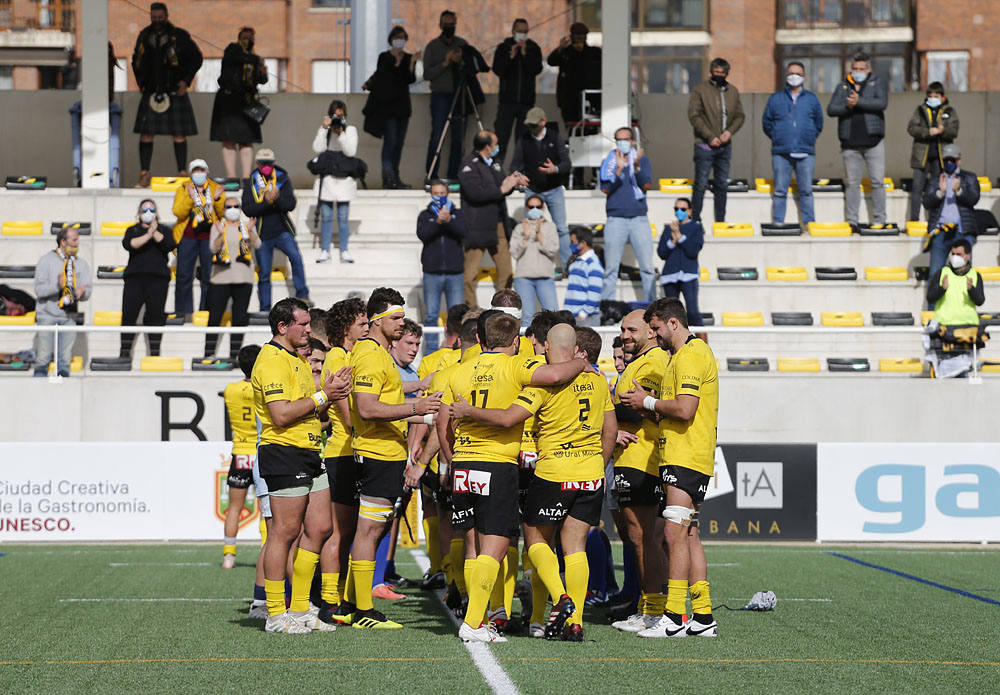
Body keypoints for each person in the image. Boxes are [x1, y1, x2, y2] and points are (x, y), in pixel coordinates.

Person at [451, 323, 615, 642]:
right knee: (575, 548)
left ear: (549, 347)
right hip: (591, 471)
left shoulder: (543, 382)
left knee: (536, 539)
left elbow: (507, 418)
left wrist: (468, 411)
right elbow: (609, 430)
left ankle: (559, 598)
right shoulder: (598, 380)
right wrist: (600, 464)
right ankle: (576, 622)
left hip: (554, 471)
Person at [251, 297, 352, 634]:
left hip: (309, 451)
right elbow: (280, 415)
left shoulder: (295, 358)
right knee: (284, 533)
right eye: (303, 325)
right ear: (283, 327)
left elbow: (310, 409)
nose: (309, 331)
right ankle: (276, 613)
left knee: (322, 527)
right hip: (284, 452)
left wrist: (331, 392)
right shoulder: (271, 361)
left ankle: (300, 608)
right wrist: (324, 396)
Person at [620, 298, 719, 639]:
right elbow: (673, 409)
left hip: (686, 456)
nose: (655, 335)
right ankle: (703, 616)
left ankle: (675, 617)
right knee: (689, 534)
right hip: (684, 453)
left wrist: (646, 402)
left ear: (672, 323)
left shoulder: (691, 355)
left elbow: (686, 409)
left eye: (657, 328)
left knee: (674, 533)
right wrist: (647, 407)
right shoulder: (683, 356)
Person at [348, 288, 442, 628]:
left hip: (384, 451)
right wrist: (417, 406)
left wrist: (424, 404)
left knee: (372, 531)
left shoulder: (378, 353)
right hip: (377, 453)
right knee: (369, 532)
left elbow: (385, 397)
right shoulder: (372, 356)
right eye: (396, 317)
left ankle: (352, 605)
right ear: (377, 321)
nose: (402, 324)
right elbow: (369, 407)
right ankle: (361, 610)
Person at [609, 310, 669, 633]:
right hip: (630, 457)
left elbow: (637, 409)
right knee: (640, 536)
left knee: (645, 537)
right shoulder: (637, 363)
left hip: (643, 457)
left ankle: (656, 610)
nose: (625, 335)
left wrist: (604, 407)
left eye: (632, 329)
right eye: (622, 330)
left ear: (649, 330)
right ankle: (650, 607)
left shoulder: (653, 362)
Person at [315, 297, 369, 628]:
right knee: (339, 532)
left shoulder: (346, 355)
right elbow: (347, 414)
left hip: (347, 452)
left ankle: (337, 599)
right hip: (341, 453)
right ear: (346, 325)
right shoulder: (338, 356)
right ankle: (330, 601)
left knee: (346, 533)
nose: (366, 327)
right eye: (361, 322)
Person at [131, 2, 202, 187]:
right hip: (151, 91)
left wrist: (186, 81)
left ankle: (182, 173)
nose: (157, 21)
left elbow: (197, 58)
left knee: (179, 134)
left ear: (167, 16)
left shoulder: (180, 36)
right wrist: (141, 82)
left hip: (174, 91)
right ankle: (144, 173)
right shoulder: (145, 35)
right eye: (154, 18)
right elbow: (135, 60)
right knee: (146, 134)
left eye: (160, 17)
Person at [458, 130, 528, 307]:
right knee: (470, 274)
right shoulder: (469, 165)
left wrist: (512, 182)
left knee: (506, 271)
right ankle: (471, 310)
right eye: (495, 144)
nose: (498, 147)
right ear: (488, 147)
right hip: (477, 226)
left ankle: (502, 308)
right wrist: (501, 191)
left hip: (498, 225)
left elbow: (502, 185)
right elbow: (475, 193)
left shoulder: (494, 163)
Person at [827, 51, 889, 231]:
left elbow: (881, 104)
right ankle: (852, 220)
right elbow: (831, 109)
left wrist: (859, 102)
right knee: (852, 184)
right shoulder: (842, 86)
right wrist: (848, 105)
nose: (858, 71)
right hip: (850, 144)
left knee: (877, 181)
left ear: (868, 69)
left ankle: (880, 219)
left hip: (874, 142)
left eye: (861, 68)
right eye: (855, 68)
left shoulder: (877, 83)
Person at [423, 10, 487, 180]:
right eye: (446, 24)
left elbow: (474, 68)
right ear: (440, 25)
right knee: (438, 136)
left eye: (452, 25)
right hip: (441, 96)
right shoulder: (432, 47)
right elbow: (427, 74)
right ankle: (431, 174)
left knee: (458, 139)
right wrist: (446, 62)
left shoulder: (462, 44)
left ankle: (454, 175)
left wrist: (462, 60)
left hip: (461, 96)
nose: (449, 27)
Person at [242, 148, 309, 311]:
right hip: (262, 234)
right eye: (263, 163)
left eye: (269, 163)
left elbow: (290, 205)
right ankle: (265, 307)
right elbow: (248, 209)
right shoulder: (251, 181)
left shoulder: (282, 178)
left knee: (296, 258)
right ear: (257, 164)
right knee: (264, 273)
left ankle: (303, 294)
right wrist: (266, 202)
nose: (266, 166)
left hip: (282, 231)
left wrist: (277, 198)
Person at [762, 61, 824, 225]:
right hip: (781, 152)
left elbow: (818, 123)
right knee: (780, 191)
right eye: (790, 73)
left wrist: (808, 138)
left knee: (806, 191)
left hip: (806, 152)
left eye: (797, 73)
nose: (794, 76)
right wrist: (778, 137)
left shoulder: (811, 99)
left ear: (804, 76)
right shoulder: (775, 99)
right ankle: (778, 223)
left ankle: (809, 224)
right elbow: (767, 123)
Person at [599, 127, 655, 302]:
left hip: (639, 218)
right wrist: (618, 171)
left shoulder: (642, 160)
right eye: (619, 139)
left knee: (647, 268)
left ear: (632, 141)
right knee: (611, 269)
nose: (622, 142)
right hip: (616, 219)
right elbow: (605, 189)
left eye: (626, 139)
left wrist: (636, 167)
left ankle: (653, 308)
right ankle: (608, 309)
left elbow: (646, 185)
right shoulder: (609, 161)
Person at [510, 107, 571, 266]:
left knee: (561, 229)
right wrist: (518, 176)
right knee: (529, 228)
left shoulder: (555, 137)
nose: (531, 128)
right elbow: (514, 166)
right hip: (533, 191)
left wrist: (555, 169)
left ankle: (568, 266)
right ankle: (529, 264)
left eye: (534, 125)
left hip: (555, 189)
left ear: (543, 121)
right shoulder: (523, 140)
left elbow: (567, 163)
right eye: (529, 125)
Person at [688, 58, 744, 223]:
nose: (719, 75)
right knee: (700, 184)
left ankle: (720, 220)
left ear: (727, 74)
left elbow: (740, 116)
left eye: (722, 73)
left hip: (725, 147)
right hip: (704, 146)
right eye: (716, 72)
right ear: (711, 72)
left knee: (721, 185)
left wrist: (729, 132)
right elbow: (694, 115)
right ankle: (695, 219)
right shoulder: (700, 90)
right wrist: (710, 136)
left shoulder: (733, 91)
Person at [362, 25, 419, 190]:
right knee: (391, 141)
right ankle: (388, 177)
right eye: (397, 38)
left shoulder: (409, 58)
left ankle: (395, 176)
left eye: (402, 37)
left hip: (403, 107)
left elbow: (409, 79)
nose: (399, 41)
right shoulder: (384, 57)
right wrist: (397, 61)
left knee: (399, 143)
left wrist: (411, 63)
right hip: (388, 108)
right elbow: (383, 76)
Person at [546, 22, 601, 188]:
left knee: (592, 141)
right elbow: (550, 61)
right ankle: (576, 178)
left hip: (592, 103)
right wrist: (560, 48)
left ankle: (594, 176)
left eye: (582, 37)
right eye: (576, 37)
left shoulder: (593, 53)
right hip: (570, 105)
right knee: (575, 140)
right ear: (571, 37)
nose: (579, 41)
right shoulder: (566, 54)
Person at [220, 343, 261, 569]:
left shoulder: (230, 389)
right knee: (267, 508)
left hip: (240, 452)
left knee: (234, 507)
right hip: (261, 452)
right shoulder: (263, 390)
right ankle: (267, 549)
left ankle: (229, 555)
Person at [204, 197, 260, 359]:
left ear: (241, 208)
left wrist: (250, 231)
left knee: (239, 319)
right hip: (220, 278)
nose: (233, 209)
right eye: (229, 206)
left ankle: (235, 355)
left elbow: (258, 245)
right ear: (224, 209)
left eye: (236, 206)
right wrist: (221, 234)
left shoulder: (246, 225)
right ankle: (208, 354)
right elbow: (213, 248)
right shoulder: (218, 225)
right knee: (214, 317)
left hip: (243, 278)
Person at [120, 198, 176, 358]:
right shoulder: (133, 230)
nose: (148, 213)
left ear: (156, 213)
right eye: (144, 210)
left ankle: (154, 353)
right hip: (134, 279)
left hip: (158, 280)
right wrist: (148, 235)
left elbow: (169, 245)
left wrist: (154, 232)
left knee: (155, 316)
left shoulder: (165, 230)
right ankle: (124, 353)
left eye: (151, 210)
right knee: (129, 315)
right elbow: (130, 244)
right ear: (138, 214)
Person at [209, 27, 267, 180]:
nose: (248, 41)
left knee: (246, 141)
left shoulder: (254, 57)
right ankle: (232, 176)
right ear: (238, 38)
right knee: (228, 140)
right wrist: (257, 60)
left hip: (247, 101)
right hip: (229, 100)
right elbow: (236, 58)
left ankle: (247, 177)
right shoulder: (232, 50)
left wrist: (262, 70)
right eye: (245, 37)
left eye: (251, 38)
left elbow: (262, 80)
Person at [33, 227, 91, 377]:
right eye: (74, 240)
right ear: (63, 242)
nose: (77, 243)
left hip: (69, 316)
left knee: (65, 360)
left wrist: (81, 293)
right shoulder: (46, 260)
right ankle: (38, 393)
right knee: (43, 358)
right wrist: (57, 286)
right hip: (47, 315)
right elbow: (39, 290)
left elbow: (88, 290)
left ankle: (63, 395)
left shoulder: (81, 264)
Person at [418, 180, 468, 351]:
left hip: (455, 272)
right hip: (432, 272)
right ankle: (431, 351)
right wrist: (437, 222)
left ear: (448, 194)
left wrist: (449, 221)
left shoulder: (458, 213)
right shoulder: (425, 215)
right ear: (431, 194)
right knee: (431, 315)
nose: (439, 196)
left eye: (442, 193)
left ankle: (457, 348)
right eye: (436, 193)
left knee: (457, 315)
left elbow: (464, 232)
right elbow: (423, 235)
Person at [173, 158, 225, 318]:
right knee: (183, 275)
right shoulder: (183, 188)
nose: (199, 174)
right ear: (191, 173)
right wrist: (190, 197)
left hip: (209, 236)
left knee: (208, 276)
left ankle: (205, 311)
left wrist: (216, 200)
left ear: (207, 172)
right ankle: (183, 311)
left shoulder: (215, 188)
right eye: (196, 170)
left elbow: (223, 213)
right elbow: (177, 212)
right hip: (187, 235)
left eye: (201, 170)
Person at [923, 144, 980, 288]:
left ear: (959, 160)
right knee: (936, 274)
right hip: (941, 231)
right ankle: (933, 310)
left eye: (952, 160)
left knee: (965, 274)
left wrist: (959, 190)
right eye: (946, 160)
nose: (949, 163)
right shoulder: (936, 179)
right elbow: (927, 202)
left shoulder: (969, 177)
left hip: (962, 231)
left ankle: (965, 307)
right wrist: (940, 192)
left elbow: (974, 198)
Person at [312, 99, 359, 264]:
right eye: (335, 116)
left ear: (346, 116)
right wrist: (324, 129)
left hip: (344, 179)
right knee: (326, 216)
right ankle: (325, 250)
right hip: (327, 179)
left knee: (343, 216)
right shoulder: (325, 129)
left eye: (341, 116)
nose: (338, 119)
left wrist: (341, 133)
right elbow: (317, 149)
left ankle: (344, 250)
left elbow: (350, 151)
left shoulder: (351, 130)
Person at [491, 18, 543, 165]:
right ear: (513, 31)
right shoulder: (504, 47)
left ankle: (519, 172)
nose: (522, 34)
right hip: (507, 102)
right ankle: (497, 171)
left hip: (526, 103)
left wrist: (525, 54)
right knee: (501, 137)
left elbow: (536, 69)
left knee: (523, 140)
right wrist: (511, 57)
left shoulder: (533, 48)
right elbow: (498, 69)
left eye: (525, 31)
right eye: (520, 31)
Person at [907, 82, 959, 222]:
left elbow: (954, 131)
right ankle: (914, 220)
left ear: (942, 97)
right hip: (921, 156)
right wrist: (927, 132)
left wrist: (943, 131)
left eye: (936, 96)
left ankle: (935, 219)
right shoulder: (920, 110)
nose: (933, 99)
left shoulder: (949, 111)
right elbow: (912, 128)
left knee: (937, 189)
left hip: (940, 157)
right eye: (930, 96)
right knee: (917, 188)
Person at [510, 195, 559, 327]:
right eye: (532, 207)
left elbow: (553, 250)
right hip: (524, 278)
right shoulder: (519, 228)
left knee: (553, 315)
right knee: (526, 317)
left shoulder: (550, 227)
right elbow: (514, 252)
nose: (535, 209)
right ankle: (527, 346)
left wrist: (539, 235)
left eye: (538, 206)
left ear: (543, 208)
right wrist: (525, 237)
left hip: (545, 277)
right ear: (527, 208)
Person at [657, 198, 704, 327]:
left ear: (689, 211)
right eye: (676, 209)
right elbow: (661, 253)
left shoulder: (696, 227)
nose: (679, 211)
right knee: (671, 315)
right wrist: (673, 242)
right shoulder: (668, 229)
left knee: (693, 312)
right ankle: (673, 345)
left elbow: (693, 251)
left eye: (683, 209)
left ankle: (703, 345)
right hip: (670, 275)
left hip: (688, 274)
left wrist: (680, 237)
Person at [928, 239, 984, 326]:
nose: (954, 257)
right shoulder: (942, 273)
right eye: (953, 254)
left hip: (968, 325)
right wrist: (942, 289)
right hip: (944, 325)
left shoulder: (975, 275)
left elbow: (980, 301)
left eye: (959, 254)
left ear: (968, 256)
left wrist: (971, 289)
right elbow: (930, 298)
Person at [564, 227, 603, 327]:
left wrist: (583, 314)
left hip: (586, 319)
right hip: (572, 317)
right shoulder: (576, 262)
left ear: (583, 243)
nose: (571, 245)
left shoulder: (593, 264)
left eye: (573, 242)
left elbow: (595, 293)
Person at [392, 319, 426, 395]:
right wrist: (420, 385)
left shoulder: (413, 371)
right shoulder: (385, 366)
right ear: (394, 342)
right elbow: (389, 395)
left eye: (417, 344)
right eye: (409, 343)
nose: (415, 349)